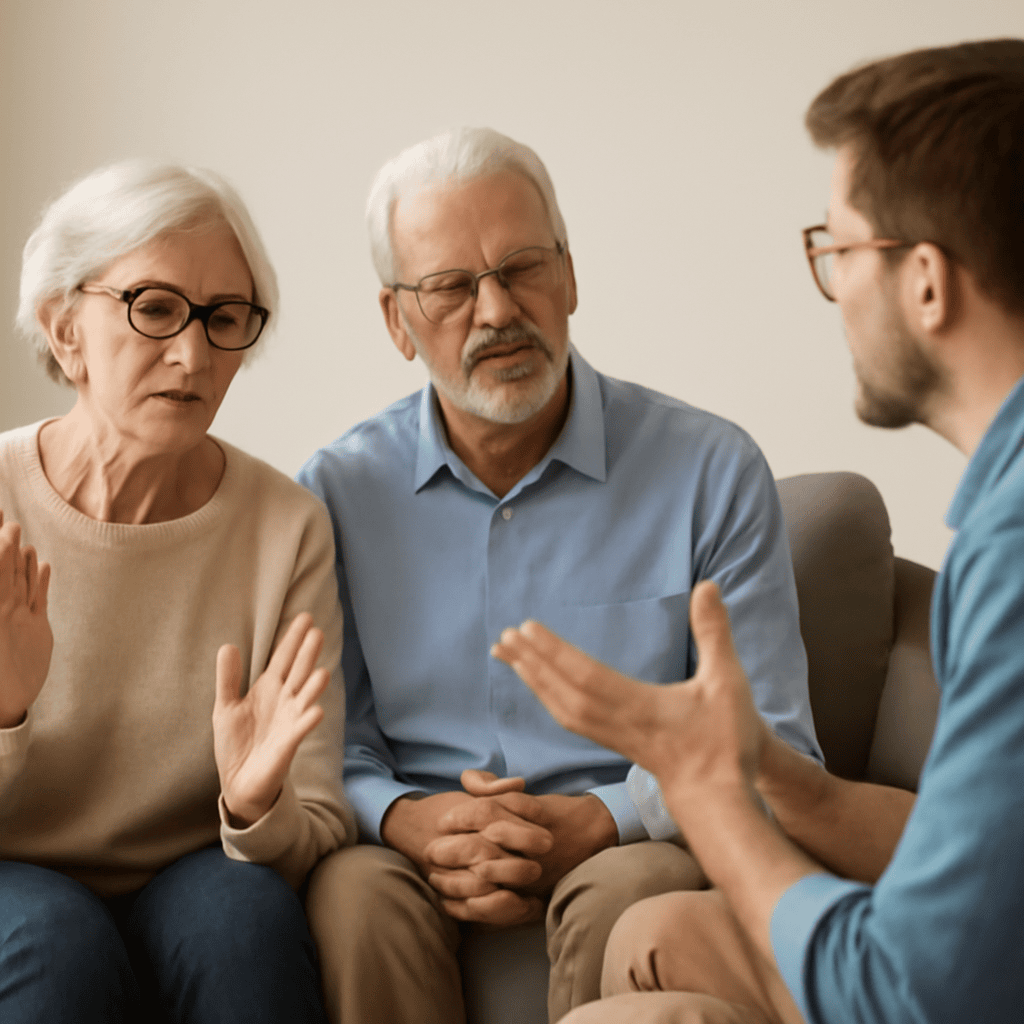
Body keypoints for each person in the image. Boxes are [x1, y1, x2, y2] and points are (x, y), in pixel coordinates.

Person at [492, 38, 1024, 1024]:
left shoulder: (1012, 554)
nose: (833, 288)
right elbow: (986, 855)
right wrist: (774, 775)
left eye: (838, 249)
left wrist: (707, 795)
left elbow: (911, 988)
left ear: (926, 282)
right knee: (658, 934)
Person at [297, 127, 821, 1024]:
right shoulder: (334, 494)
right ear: (395, 320)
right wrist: (402, 817)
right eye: (451, 286)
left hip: (628, 840)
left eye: (523, 268)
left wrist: (608, 816)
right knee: (354, 895)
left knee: (635, 888)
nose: (497, 310)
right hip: (420, 842)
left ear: (570, 277)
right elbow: (327, 741)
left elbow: (775, 739)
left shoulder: (711, 471)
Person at [0, 159, 354, 1024]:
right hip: (14, 875)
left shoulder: (286, 527)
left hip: (194, 871)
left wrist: (255, 804)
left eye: (223, 318)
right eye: (154, 308)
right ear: (65, 328)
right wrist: (4, 713)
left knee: (243, 924)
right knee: (54, 942)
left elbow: (316, 820)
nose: (193, 355)